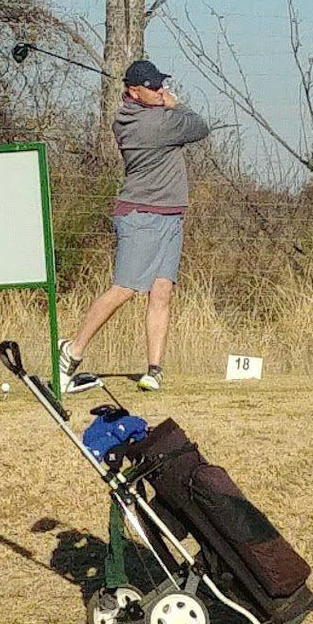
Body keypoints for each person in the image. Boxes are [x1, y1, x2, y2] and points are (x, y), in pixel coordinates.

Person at [59, 59, 210, 394]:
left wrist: (166, 106)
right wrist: (176, 104)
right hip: (141, 215)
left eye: (160, 85)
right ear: (133, 91)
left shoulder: (132, 116)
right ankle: (72, 351)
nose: (160, 92)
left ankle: (154, 370)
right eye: (153, 87)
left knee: (161, 290)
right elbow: (199, 127)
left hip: (169, 213)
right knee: (125, 288)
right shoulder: (154, 124)